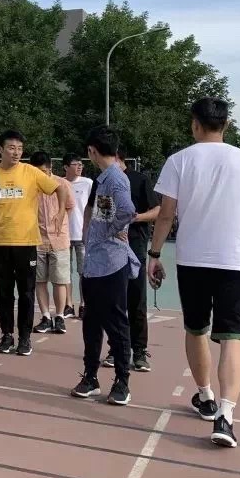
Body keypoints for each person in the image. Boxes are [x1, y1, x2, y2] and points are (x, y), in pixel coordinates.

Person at [148, 97, 240, 448]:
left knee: (196, 328)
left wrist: (154, 254)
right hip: (234, 262)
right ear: (226, 124)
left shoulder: (179, 160)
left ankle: (205, 396)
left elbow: (166, 214)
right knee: (234, 336)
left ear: (195, 124)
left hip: (192, 261)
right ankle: (226, 415)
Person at [70, 125, 139, 406]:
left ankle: (122, 381)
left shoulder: (116, 178)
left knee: (116, 322)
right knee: (92, 321)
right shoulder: (104, 178)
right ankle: (90, 376)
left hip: (111, 263)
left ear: (92, 151)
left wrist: (110, 231)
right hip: (95, 263)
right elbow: (106, 212)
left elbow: (128, 211)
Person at [0, 130, 71, 356]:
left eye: (19, 149)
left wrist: (60, 213)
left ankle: (24, 338)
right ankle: (7, 335)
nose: (16, 152)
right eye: (11, 148)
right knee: (4, 293)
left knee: (26, 292)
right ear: (0, 149)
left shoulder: (31, 172)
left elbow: (60, 188)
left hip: (26, 243)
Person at [95, 147, 160, 372]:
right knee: (115, 301)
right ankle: (116, 349)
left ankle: (139, 350)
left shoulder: (140, 180)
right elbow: (102, 212)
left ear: (117, 158)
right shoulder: (103, 181)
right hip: (111, 249)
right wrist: (112, 229)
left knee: (136, 299)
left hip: (136, 245)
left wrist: (135, 218)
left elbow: (157, 210)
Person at [29, 151, 74, 336]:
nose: (41, 175)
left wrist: (60, 223)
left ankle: (60, 316)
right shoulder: (31, 186)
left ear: (50, 168)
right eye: (37, 171)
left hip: (59, 239)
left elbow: (69, 206)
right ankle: (45, 317)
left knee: (60, 280)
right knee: (39, 280)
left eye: (44, 171)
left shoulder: (62, 184)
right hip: (37, 240)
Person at [63, 153, 92, 318]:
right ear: (66, 167)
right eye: (76, 164)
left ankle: (83, 304)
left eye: (81, 164)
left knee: (84, 272)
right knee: (65, 272)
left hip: (83, 235)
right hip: (63, 235)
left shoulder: (88, 183)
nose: (80, 166)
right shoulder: (60, 183)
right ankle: (68, 305)